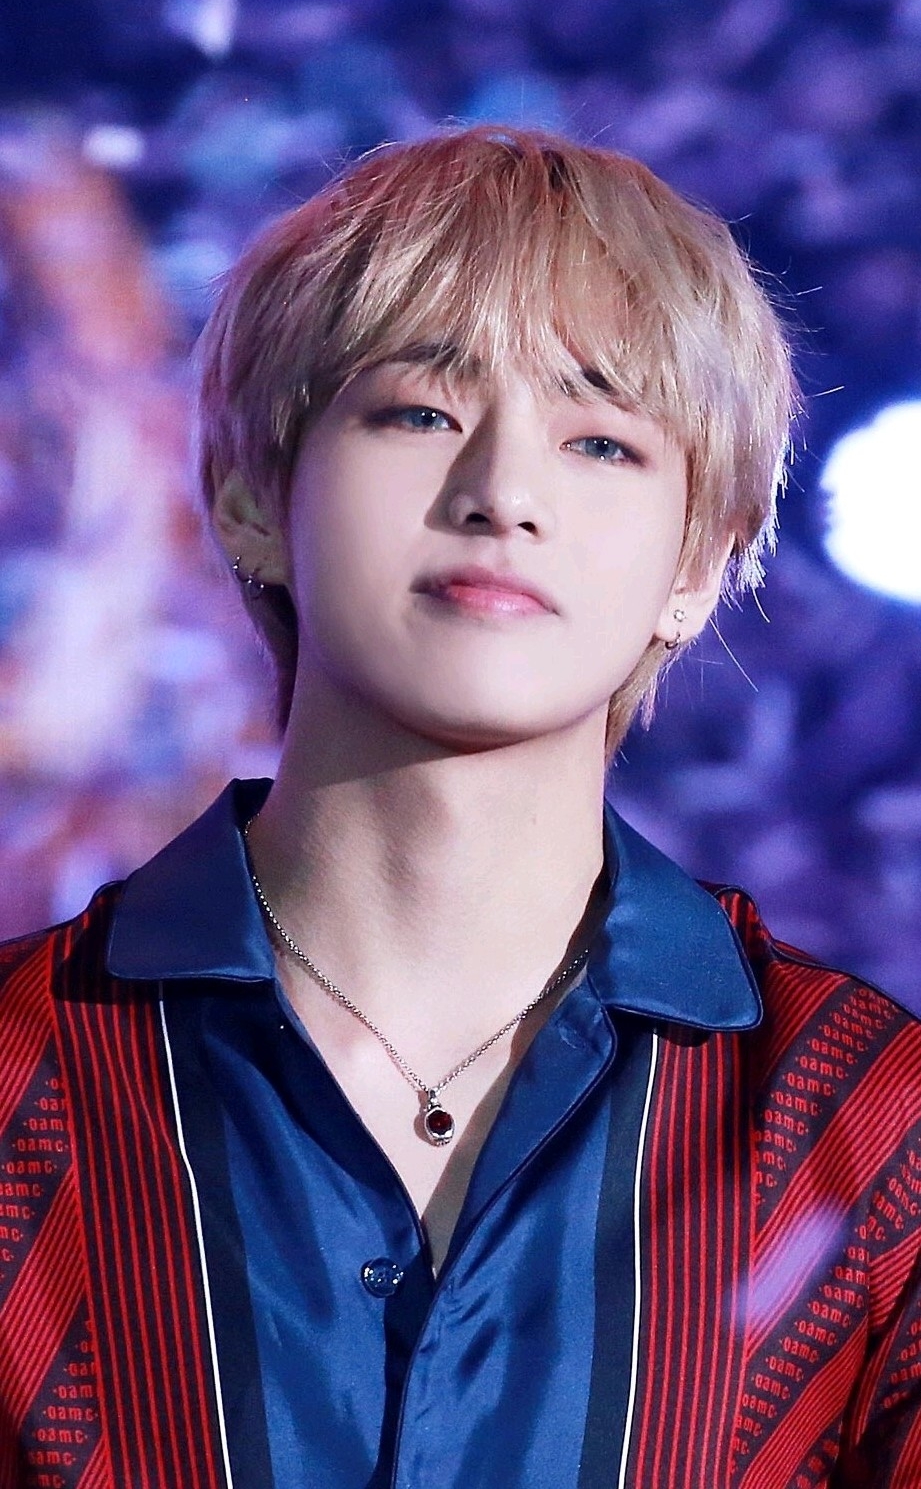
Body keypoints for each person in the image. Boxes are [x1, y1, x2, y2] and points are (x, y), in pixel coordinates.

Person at [1, 126, 919, 1489]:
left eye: (600, 440)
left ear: (698, 564)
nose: (503, 495)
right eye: (420, 412)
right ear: (249, 496)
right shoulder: (21, 1080)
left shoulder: (861, 1124)